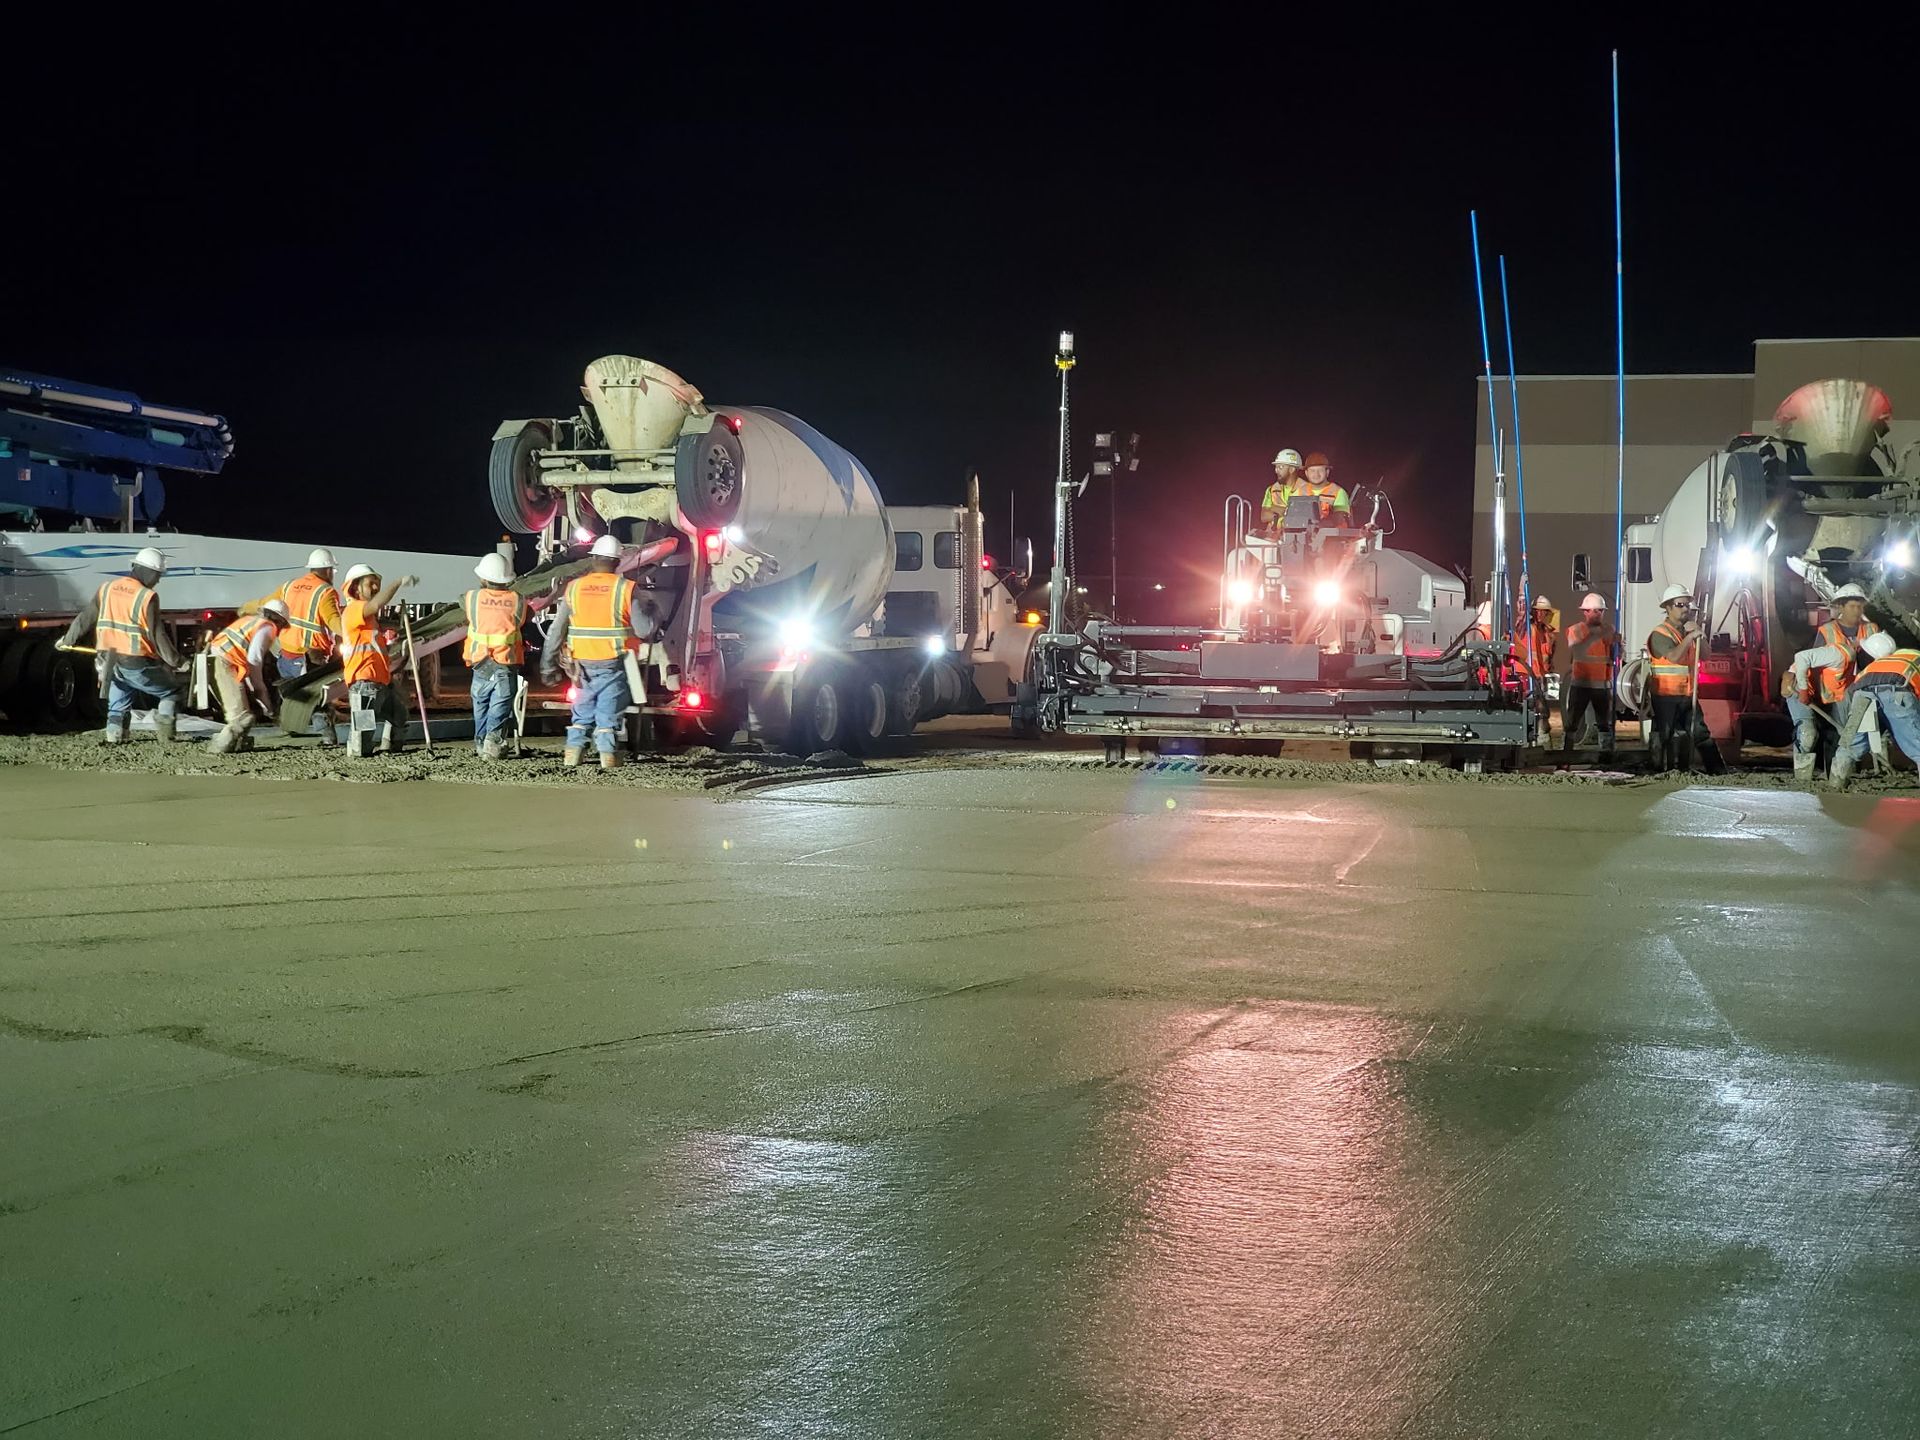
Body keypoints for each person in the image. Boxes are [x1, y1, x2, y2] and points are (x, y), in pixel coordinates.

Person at [540, 534, 654, 770]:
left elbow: (555, 632)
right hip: (613, 660)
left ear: (593, 560)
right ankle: (608, 755)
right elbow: (645, 630)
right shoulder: (626, 588)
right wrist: (655, 612)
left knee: (582, 707)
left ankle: (573, 752)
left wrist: (547, 666)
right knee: (609, 709)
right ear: (617, 562)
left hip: (580, 662)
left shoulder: (574, 588)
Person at [56, 546, 186, 744]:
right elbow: (157, 634)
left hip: (107, 660)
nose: (158, 580)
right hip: (135, 661)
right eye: (158, 574)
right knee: (172, 692)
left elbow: (85, 618)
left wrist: (67, 640)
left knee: (119, 698)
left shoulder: (107, 588)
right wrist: (178, 661)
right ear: (148, 571)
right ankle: (166, 733)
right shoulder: (146, 596)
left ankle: (114, 734)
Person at [337, 563, 417, 758]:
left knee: (399, 716)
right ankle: (359, 756)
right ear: (355, 587)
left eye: (376, 584)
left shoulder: (369, 619)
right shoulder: (354, 610)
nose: (375, 588)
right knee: (363, 728)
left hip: (379, 680)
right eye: (370, 584)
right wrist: (398, 582)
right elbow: (375, 604)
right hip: (363, 681)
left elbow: (373, 648)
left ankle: (390, 748)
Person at [1644, 583, 1724, 773]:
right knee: (1668, 734)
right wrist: (1689, 638)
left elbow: (1705, 655)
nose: (1685, 609)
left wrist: (1700, 635)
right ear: (1668, 608)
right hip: (1666, 696)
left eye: (1687, 605)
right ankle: (1662, 770)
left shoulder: (1688, 632)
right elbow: (1674, 657)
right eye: (1680, 605)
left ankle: (1718, 770)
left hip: (1687, 694)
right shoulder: (1660, 634)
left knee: (1700, 732)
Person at [1832, 631, 1920, 787]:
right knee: (1916, 743)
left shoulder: (1871, 667)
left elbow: (1851, 692)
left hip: (1862, 695)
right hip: (1897, 693)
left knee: (1851, 741)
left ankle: (1837, 779)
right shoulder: (1913, 659)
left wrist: (1850, 724)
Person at [462, 552, 527, 760]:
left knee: (480, 704)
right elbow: (525, 618)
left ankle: (481, 744)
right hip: (504, 663)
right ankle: (493, 742)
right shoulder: (518, 600)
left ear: (483, 578)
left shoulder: (472, 597)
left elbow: (462, 603)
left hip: (480, 663)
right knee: (500, 705)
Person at [206, 600, 290, 754]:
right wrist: (262, 693)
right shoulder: (267, 628)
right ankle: (218, 747)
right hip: (224, 663)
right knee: (241, 717)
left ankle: (237, 744)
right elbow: (254, 661)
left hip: (219, 660)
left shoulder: (250, 621)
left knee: (244, 714)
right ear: (279, 620)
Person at [1780, 639, 1868, 784]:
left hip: (1822, 694)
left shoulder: (1861, 669)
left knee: (1836, 733)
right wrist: (1803, 690)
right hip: (1798, 687)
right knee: (1808, 733)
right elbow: (1801, 657)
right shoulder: (1839, 654)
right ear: (1860, 650)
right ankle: (1801, 777)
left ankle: (1832, 774)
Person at [1807, 583, 1880, 718]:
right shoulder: (1827, 631)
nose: (1856, 610)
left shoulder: (1872, 629)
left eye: (1860, 607)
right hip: (1836, 695)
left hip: (1866, 690)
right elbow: (1813, 662)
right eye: (1852, 606)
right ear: (1841, 607)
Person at [1561, 592, 1617, 755]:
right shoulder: (1576, 629)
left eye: (1600, 611)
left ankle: (1606, 753)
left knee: (1603, 723)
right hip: (1581, 683)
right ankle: (1567, 751)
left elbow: (1611, 656)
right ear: (1585, 612)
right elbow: (1577, 648)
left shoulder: (1609, 630)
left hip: (1601, 685)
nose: (1598, 614)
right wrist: (1600, 635)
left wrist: (1615, 643)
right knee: (1572, 722)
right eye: (1594, 610)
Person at [1259, 448, 1305, 533]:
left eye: (1280, 467)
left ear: (1292, 469)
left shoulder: (1306, 489)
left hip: (1298, 539)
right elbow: (1264, 516)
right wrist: (1288, 511)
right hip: (1271, 538)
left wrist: (1274, 508)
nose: (1276, 470)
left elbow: (1303, 518)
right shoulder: (1271, 489)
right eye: (1276, 467)